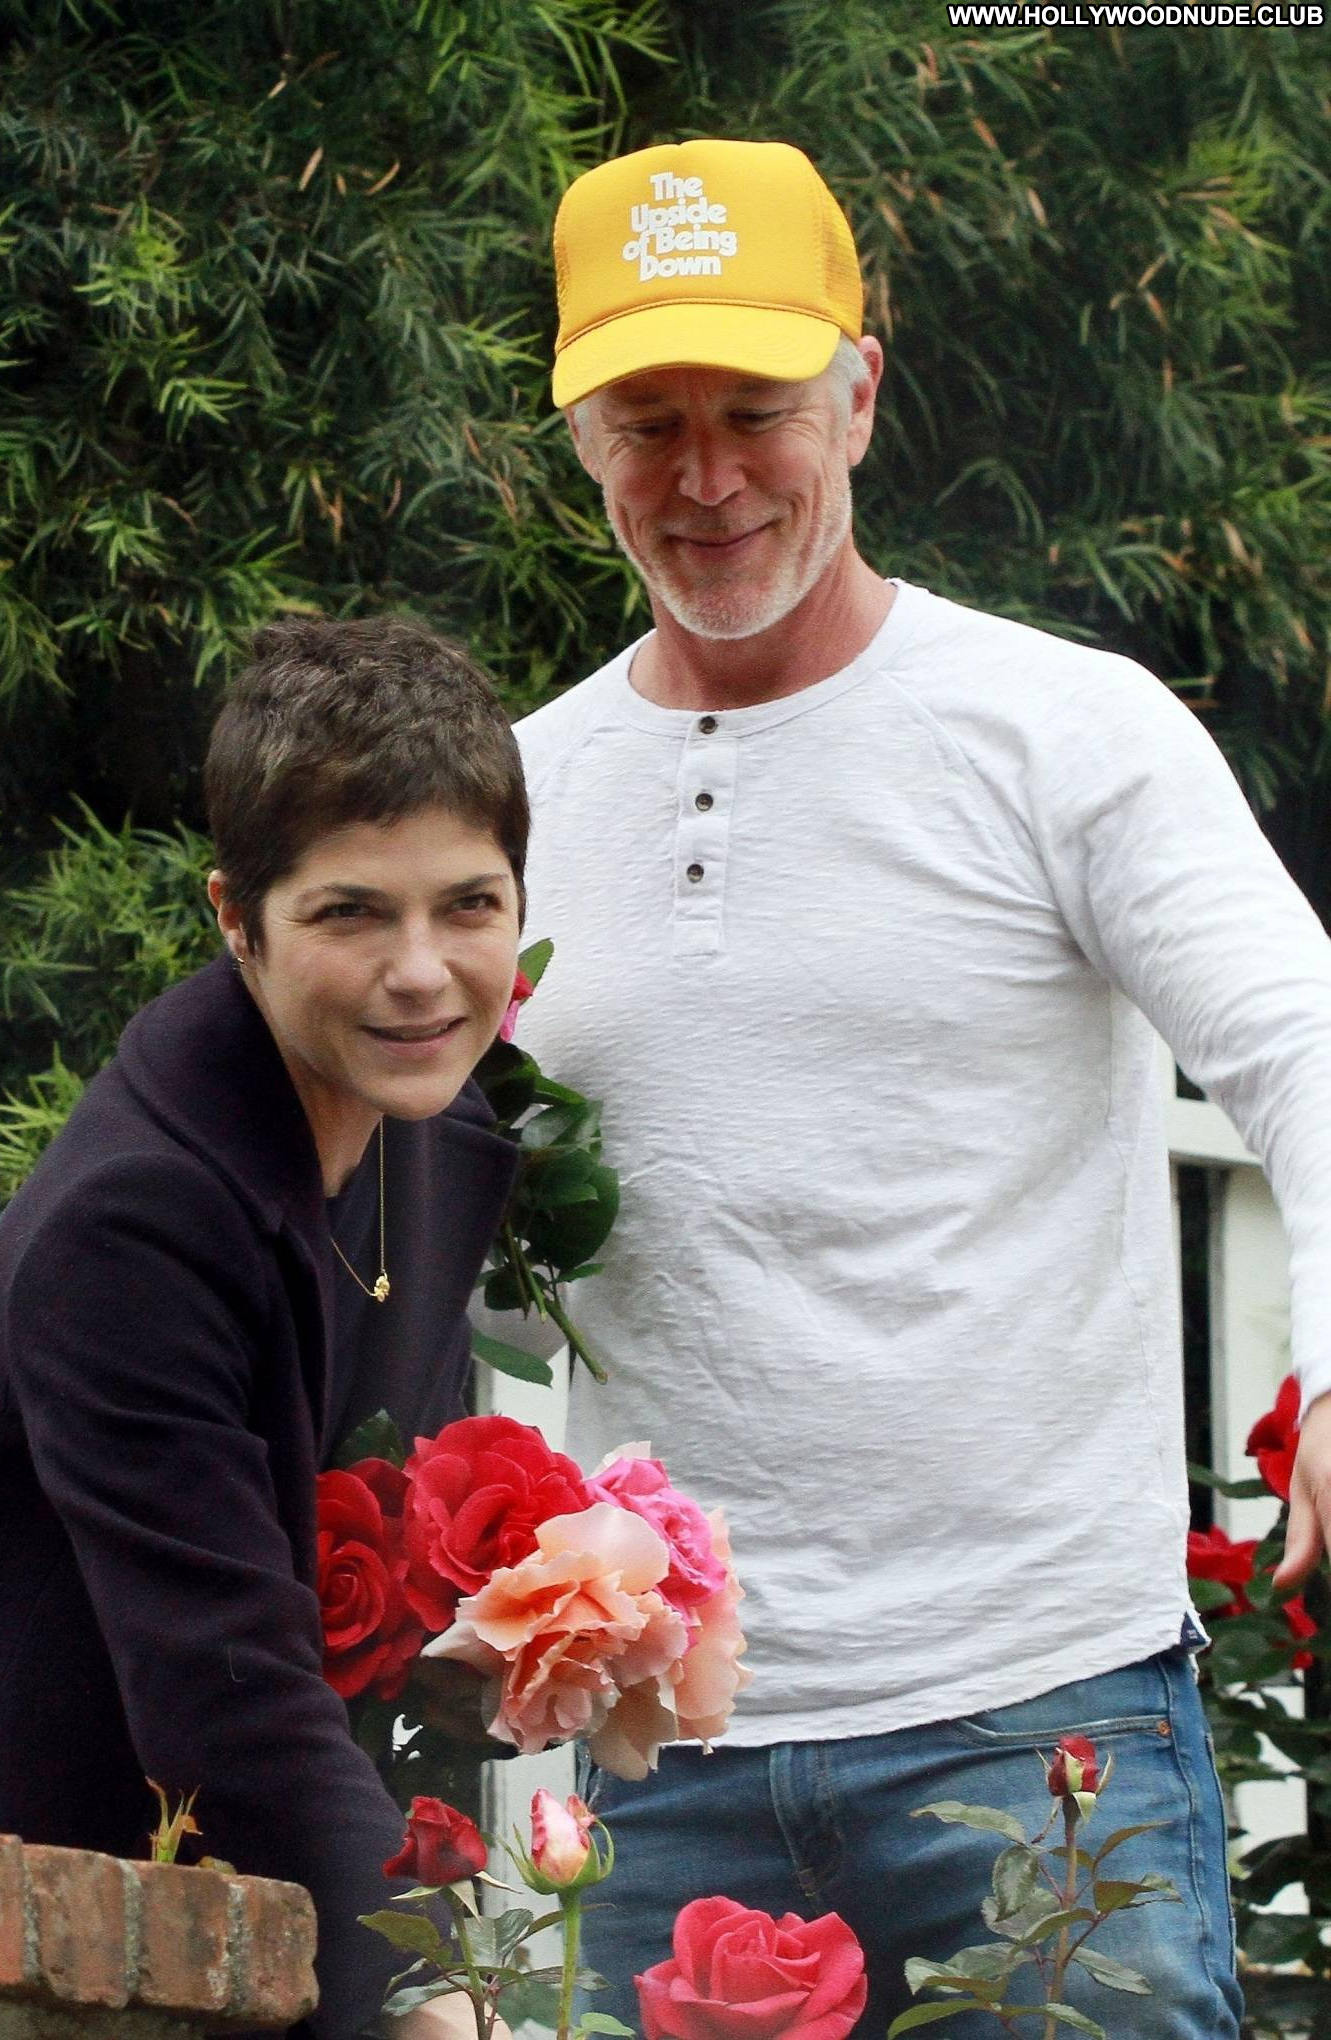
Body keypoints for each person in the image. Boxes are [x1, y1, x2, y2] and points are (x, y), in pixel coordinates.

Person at [512, 138, 1331, 2036]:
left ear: (862, 395)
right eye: (648, 423)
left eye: (757, 413)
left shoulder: (1065, 729)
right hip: (655, 1770)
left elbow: (1302, 1038)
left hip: (1041, 1724)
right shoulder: (514, 798)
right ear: (581, 441)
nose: (707, 478)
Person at [0, 616, 528, 2040]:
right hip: (69, 1943)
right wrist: (429, 1990)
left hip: (260, 1911)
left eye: (468, 904)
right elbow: (223, 1687)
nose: (423, 971)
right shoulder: (132, 1226)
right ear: (236, 917)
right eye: (352, 914)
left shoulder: (424, 1124)